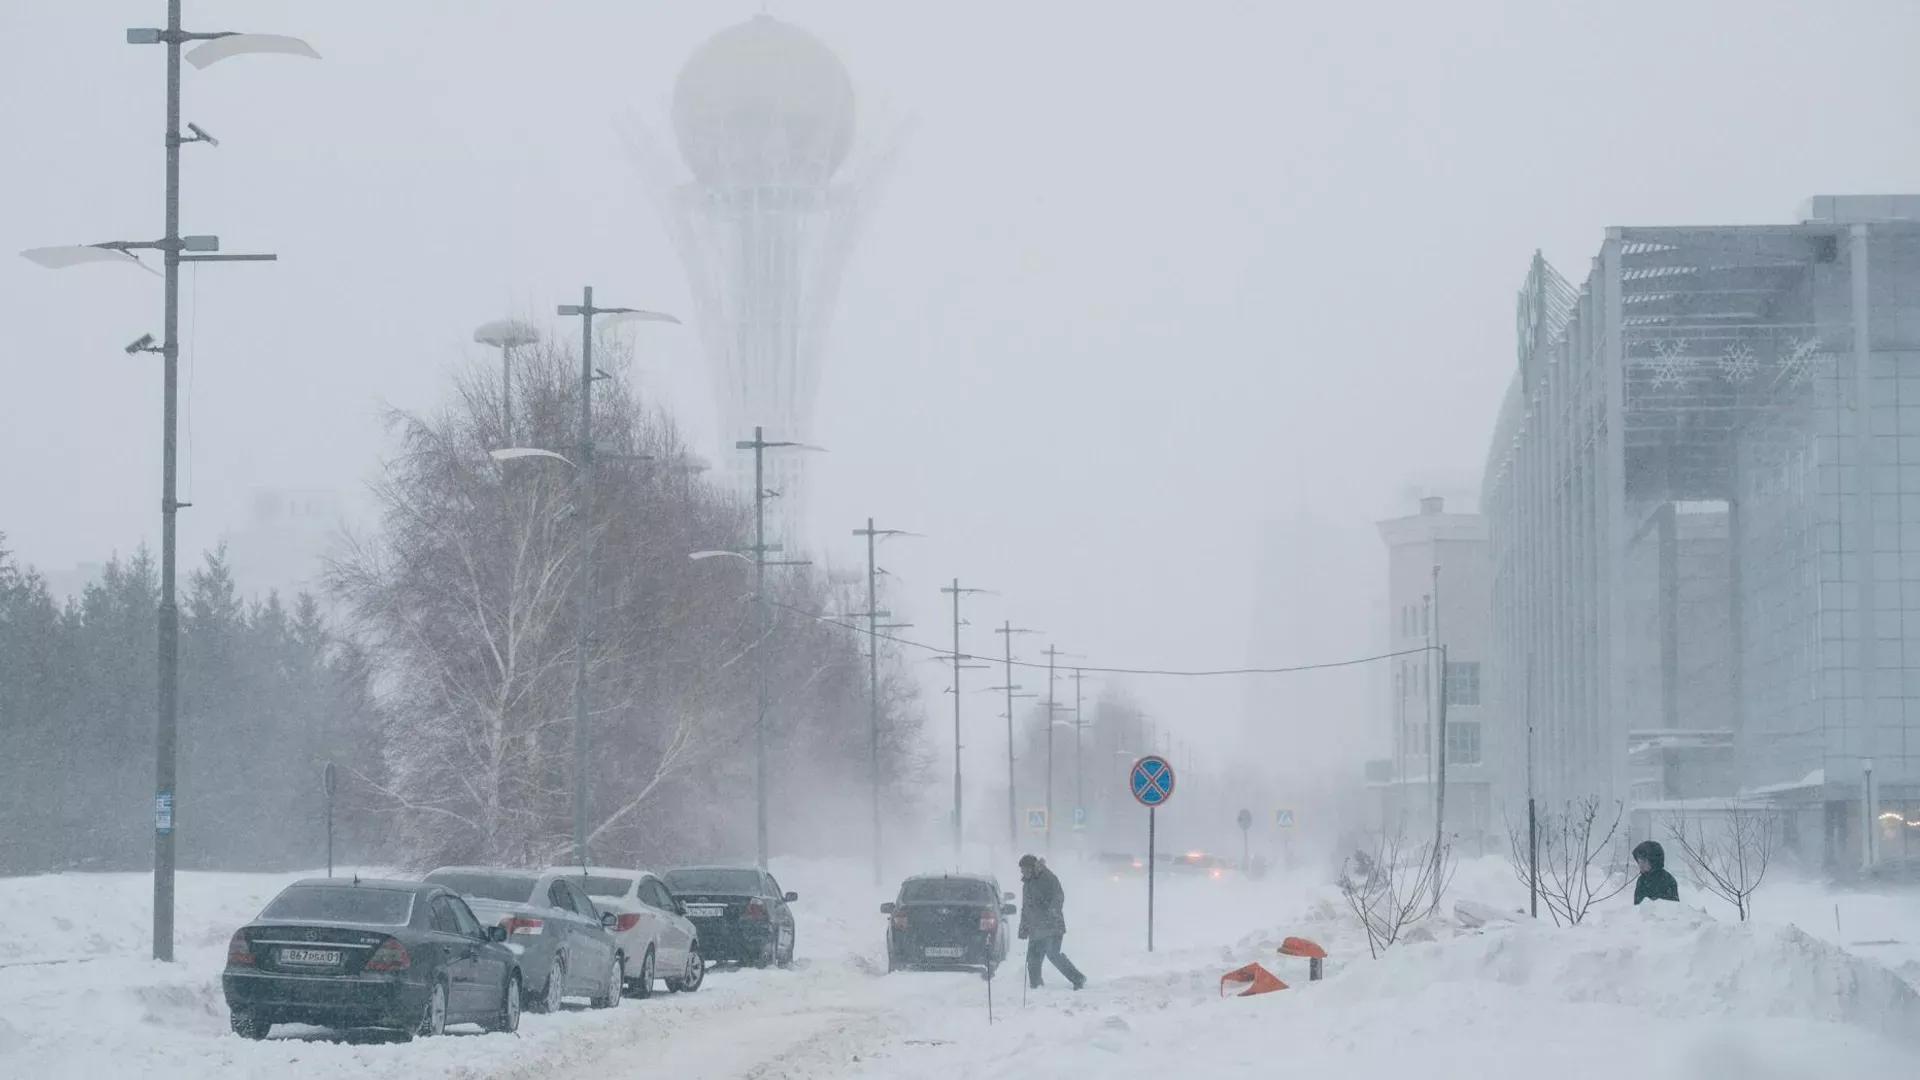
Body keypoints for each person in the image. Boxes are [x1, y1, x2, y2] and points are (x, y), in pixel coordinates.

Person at [1018, 854, 1086, 990]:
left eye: (1026, 869)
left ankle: (1078, 978)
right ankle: (1036, 986)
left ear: (1033, 867)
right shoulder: (1027, 884)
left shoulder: (1048, 878)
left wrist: (1050, 912)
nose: (1024, 872)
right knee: (1033, 958)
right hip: (1036, 927)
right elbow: (1026, 907)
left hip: (1052, 926)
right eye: (1022, 870)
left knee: (1053, 954)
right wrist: (1023, 927)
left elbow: (1058, 896)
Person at [1631, 839, 1679, 904]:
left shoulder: (1668, 880)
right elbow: (1637, 906)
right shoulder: (1641, 880)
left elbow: (1674, 907)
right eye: (1639, 862)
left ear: (1654, 861)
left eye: (1644, 861)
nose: (1641, 865)